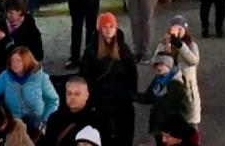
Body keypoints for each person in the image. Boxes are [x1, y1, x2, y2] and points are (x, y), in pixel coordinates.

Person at [80, 12, 135, 146]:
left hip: (121, 100)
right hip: (100, 102)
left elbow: (132, 74)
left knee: (124, 136)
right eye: (105, 26)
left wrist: (130, 94)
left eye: (112, 26)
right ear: (100, 29)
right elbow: (85, 76)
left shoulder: (124, 49)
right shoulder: (90, 51)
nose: (109, 29)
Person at [0, 47, 58, 137]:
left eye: (18, 61)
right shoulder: (6, 76)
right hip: (13, 120)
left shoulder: (41, 78)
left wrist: (45, 119)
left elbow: (53, 101)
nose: (14, 64)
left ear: (27, 61)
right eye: (12, 61)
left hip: (35, 122)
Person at [154, 16, 200, 129]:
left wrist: (179, 44)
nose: (178, 32)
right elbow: (155, 61)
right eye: (175, 29)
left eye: (180, 29)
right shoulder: (164, 44)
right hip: (170, 91)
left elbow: (193, 60)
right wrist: (166, 48)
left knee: (190, 126)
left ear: (185, 30)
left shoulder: (191, 45)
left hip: (187, 92)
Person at [40, 77, 103, 146]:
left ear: (87, 95)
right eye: (69, 93)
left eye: (77, 94)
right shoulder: (55, 118)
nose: (72, 97)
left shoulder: (97, 121)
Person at [140, 53, 190, 140]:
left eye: (161, 64)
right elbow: (148, 98)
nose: (158, 67)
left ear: (169, 65)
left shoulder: (176, 83)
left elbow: (166, 106)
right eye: (156, 64)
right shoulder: (158, 79)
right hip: (160, 125)